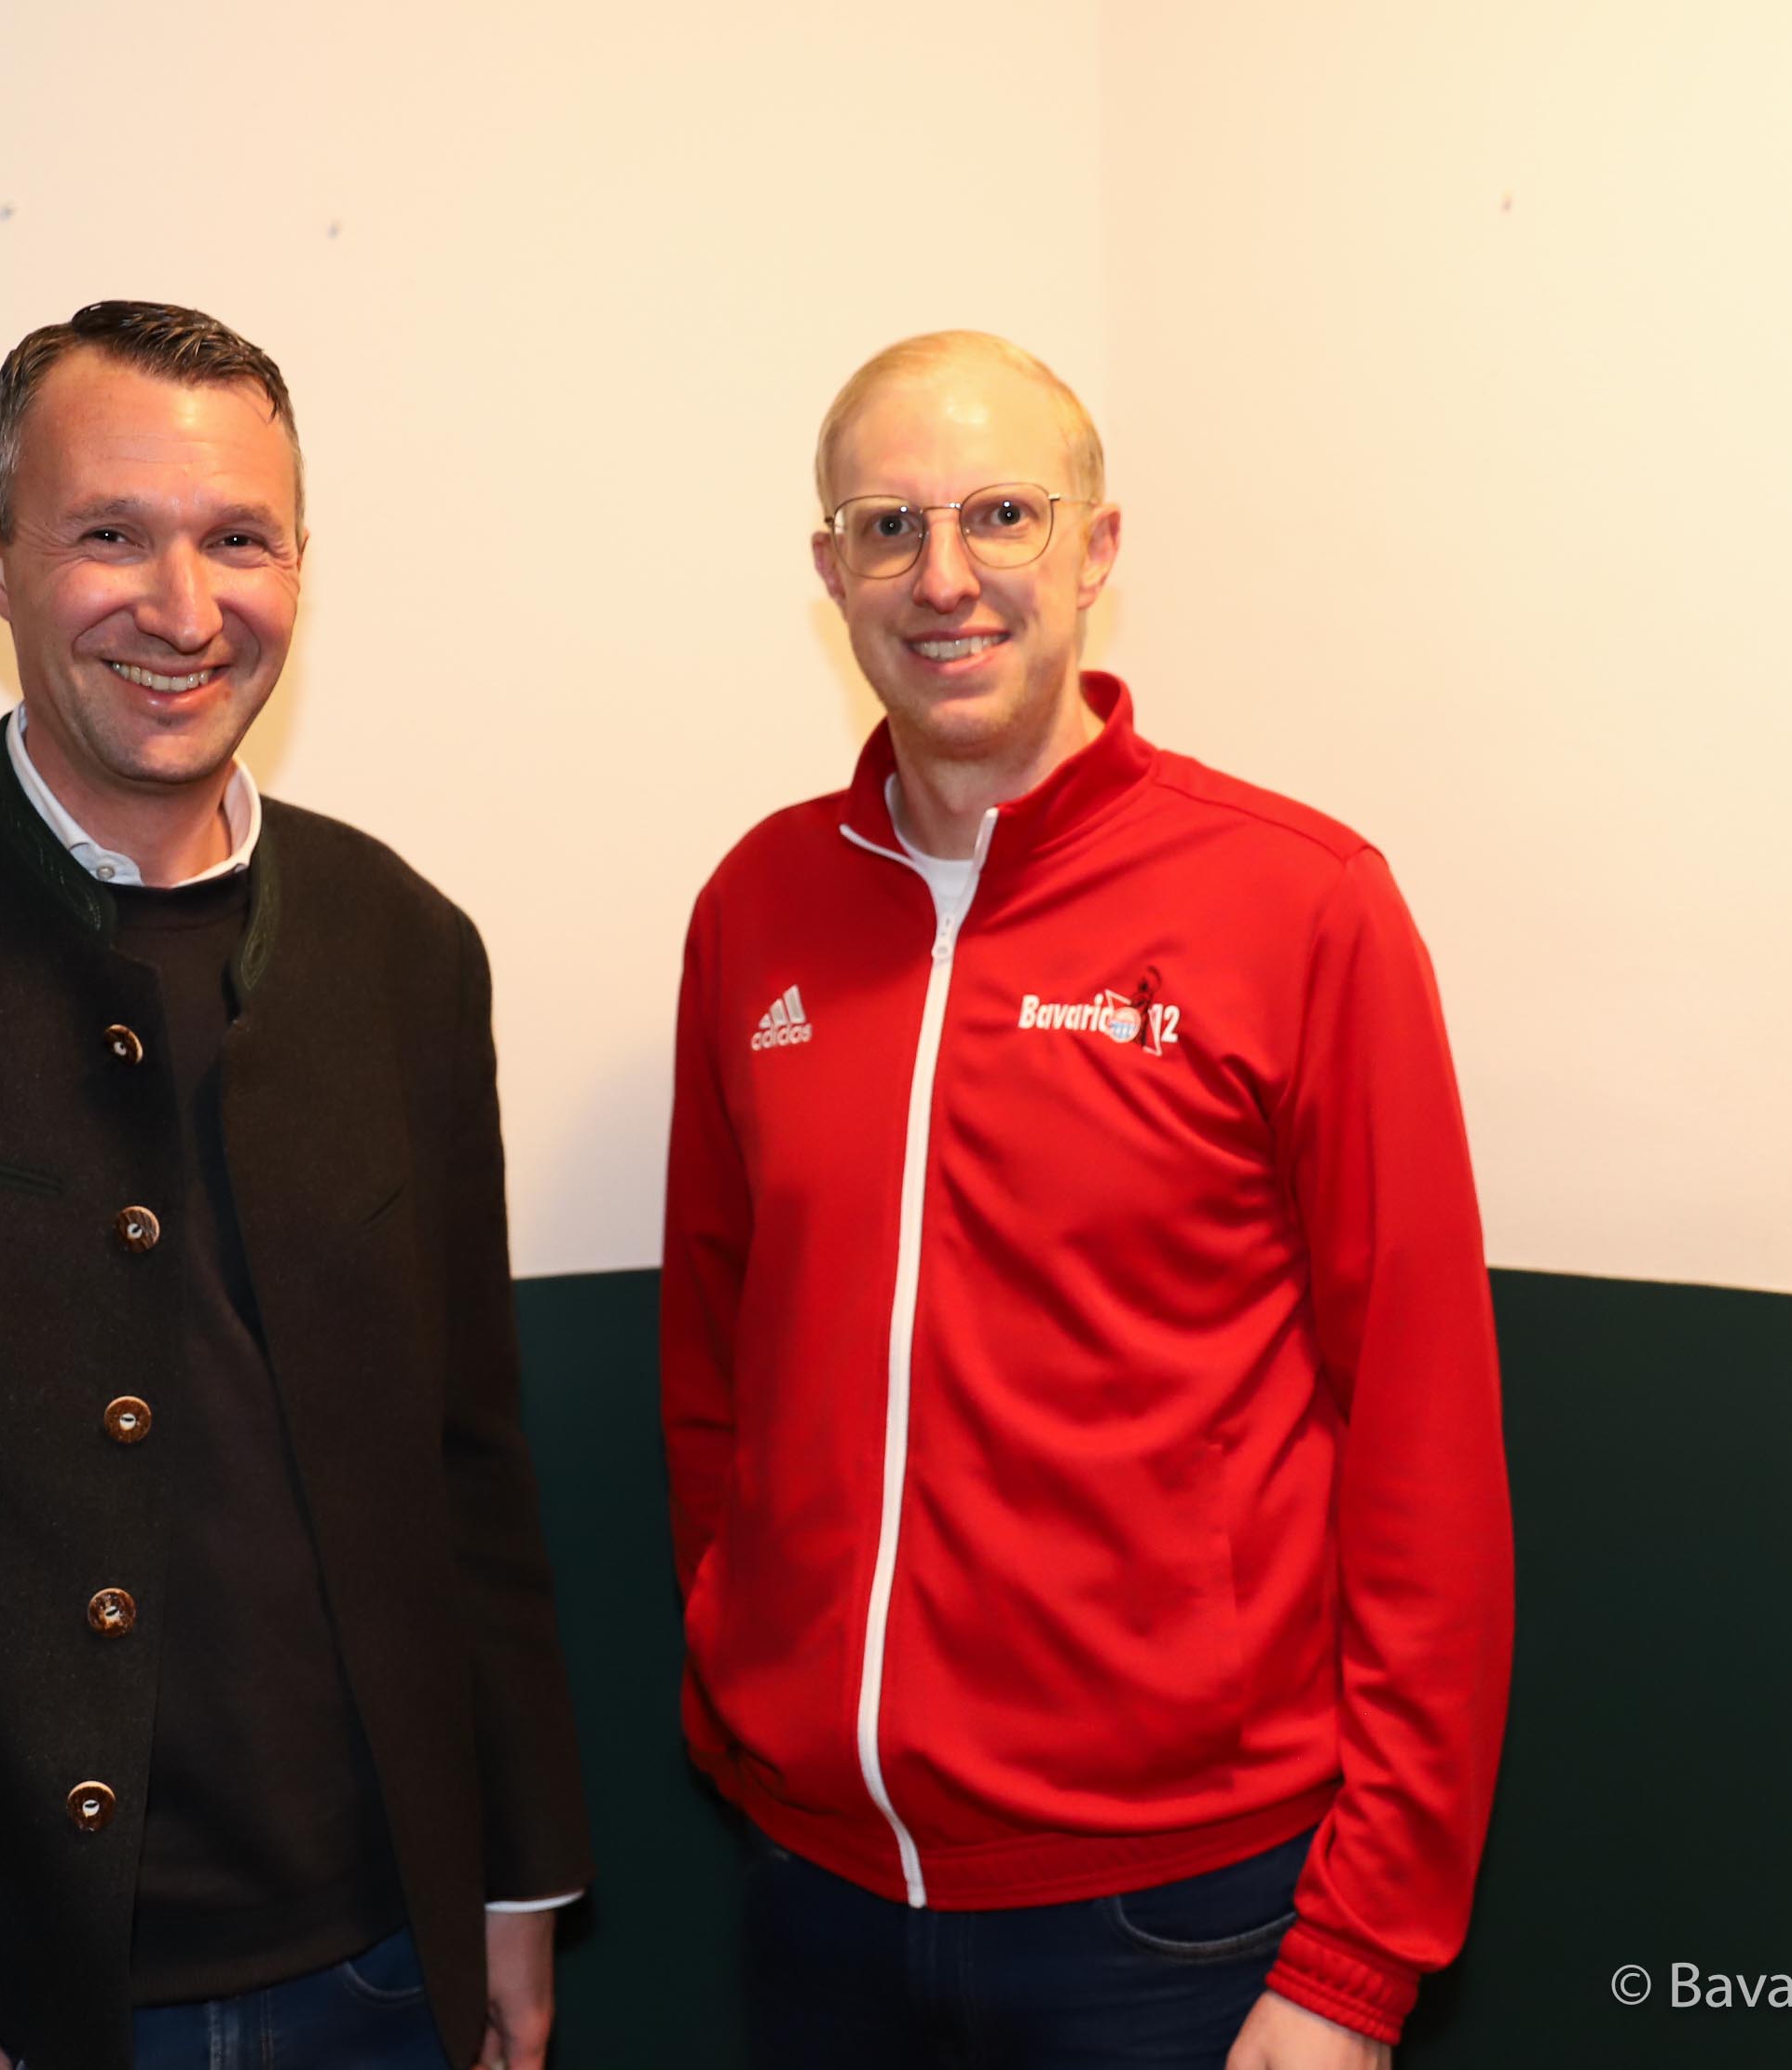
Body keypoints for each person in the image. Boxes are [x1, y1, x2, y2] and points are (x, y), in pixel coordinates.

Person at [0, 301, 590, 2070]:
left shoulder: (408, 942)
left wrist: (517, 1879)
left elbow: (468, 1463)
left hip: (388, 1969)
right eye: (112, 535)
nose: (185, 606)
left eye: (240, 539)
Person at [659, 332, 1512, 2069]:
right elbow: (713, 1370)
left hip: (1180, 1923)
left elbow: (1423, 1445)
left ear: (1096, 549)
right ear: (830, 566)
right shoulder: (757, 905)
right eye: (888, 525)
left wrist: (1358, 1956)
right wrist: (744, 1677)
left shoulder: (1301, 903)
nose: (944, 575)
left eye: (1001, 513)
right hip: (815, 1898)